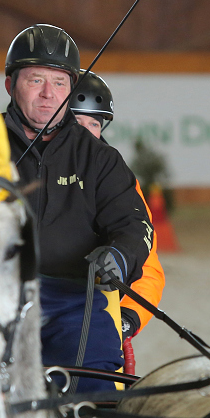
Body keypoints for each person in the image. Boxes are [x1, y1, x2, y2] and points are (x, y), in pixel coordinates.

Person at [0, 24, 152, 393]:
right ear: (10, 85)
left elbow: (135, 224)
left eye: (60, 83)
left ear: (71, 89)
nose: (49, 95)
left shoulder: (101, 159)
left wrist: (120, 256)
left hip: (77, 305)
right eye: (36, 80)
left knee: (95, 405)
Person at [69, 70, 165, 342]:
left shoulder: (117, 179)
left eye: (94, 124)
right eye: (76, 121)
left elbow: (149, 269)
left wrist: (126, 319)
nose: (86, 134)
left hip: (95, 321)